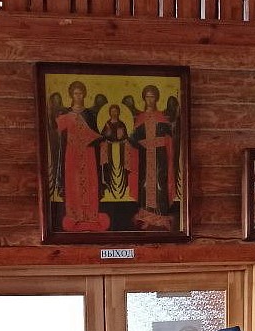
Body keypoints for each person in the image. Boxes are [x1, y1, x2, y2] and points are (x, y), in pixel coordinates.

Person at [52, 81, 111, 233]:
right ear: (71, 95)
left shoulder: (90, 115)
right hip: (72, 155)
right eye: (75, 93)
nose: (78, 96)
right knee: (73, 184)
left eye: (80, 93)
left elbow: (99, 136)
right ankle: (75, 217)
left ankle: (90, 216)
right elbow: (60, 138)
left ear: (84, 94)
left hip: (89, 154)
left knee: (90, 183)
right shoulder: (65, 115)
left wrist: (106, 134)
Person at [123, 84, 179, 230]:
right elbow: (133, 140)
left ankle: (161, 217)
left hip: (160, 157)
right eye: (147, 97)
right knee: (145, 185)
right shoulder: (140, 118)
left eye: (152, 96)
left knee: (160, 185)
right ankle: (147, 217)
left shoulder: (162, 117)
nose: (149, 100)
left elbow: (170, 137)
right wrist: (125, 136)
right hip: (144, 157)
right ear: (144, 98)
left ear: (156, 98)